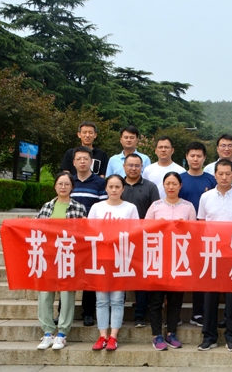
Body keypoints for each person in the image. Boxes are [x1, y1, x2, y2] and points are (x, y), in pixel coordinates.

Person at [197, 159, 232, 353]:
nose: (224, 177)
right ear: (215, 175)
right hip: (211, 253)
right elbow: (201, 225)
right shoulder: (206, 197)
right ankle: (209, 337)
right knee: (210, 297)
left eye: (228, 173)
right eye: (220, 173)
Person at [35, 172, 87, 350]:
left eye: (67, 184)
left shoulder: (78, 208)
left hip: (68, 257)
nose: (63, 187)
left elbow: (83, 234)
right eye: (60, 184)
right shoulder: (46, 207)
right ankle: (48, 332)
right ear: (55, 186)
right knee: (45, 294)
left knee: (67, 295)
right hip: (47, 256)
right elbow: (36, 229)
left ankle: (63, 333)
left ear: (72, 187)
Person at [144, 172, 196, 350]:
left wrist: (184, 226)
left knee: (175, 299)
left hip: (179, 259)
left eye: (174, 183)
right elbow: (144, 229)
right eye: (168, 183)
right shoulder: (155, 206)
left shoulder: (188, 206)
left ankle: (171, 332)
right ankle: (156, 335)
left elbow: (194, 232)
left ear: (180, 186)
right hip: (158, 258)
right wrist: (158, 226)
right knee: (156, 300)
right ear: (163, 185)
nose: (171, 187)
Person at [88, 175, 139, 352]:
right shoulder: (97, 207)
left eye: (118, 186)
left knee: (117, 299)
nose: (114, 190)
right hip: (100, 258)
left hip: (121, 259)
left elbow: (135, 232)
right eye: (111, 186)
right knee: (101, 299)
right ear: (106, 188)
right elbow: (89, 230)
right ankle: (102, 335)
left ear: (123, 189)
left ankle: (113, 336)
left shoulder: (130, 208)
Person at [178, 141, 217, 327]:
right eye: (192, 155)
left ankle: (198, 313)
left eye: (199, 156)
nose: (195, 159)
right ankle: (175, 314)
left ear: (204, 158)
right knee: (180, 273)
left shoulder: (211, 180)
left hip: (205, 235)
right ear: (186, 157)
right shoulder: (179, 179)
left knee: (201, 274)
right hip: (182, 235)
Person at [121, 153, 160, 328]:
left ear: (142, 167)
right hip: (119, 239)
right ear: (124, 166)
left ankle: (140, 315)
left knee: (142, 277)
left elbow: (156, 211)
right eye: (130, 165)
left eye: (137, 165)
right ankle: (118, 313)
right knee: (120, 275)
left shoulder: (150, 187)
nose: (133, 168)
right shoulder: (117, 185)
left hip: (143, 238)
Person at [70, 146, 107, 327]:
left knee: (90, 275)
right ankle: (63, 312)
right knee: (68, 274)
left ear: (91, 161)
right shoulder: (69, 181)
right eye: (79, 159)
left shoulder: (100, 183)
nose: (82, 162)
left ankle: (88, 313)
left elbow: (103, 208)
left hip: (92, 236)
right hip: (70, 237)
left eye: (86, 158)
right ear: (74, 162)